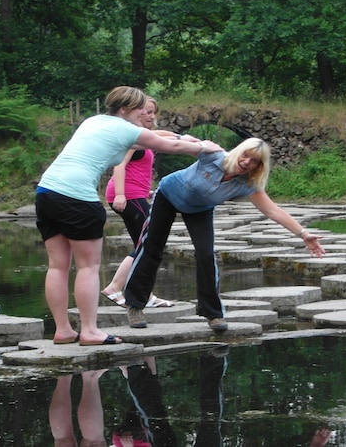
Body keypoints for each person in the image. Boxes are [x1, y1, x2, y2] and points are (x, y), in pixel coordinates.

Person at [36, 86, 222, 346]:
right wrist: (203, 146)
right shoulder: (125, 129)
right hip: (76, 196)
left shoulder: (94, 121)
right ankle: (89, 331)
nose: (143, 114)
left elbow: (152, 137)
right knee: (88, 267)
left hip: (46, 192)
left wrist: (187, 139)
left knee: (57, 266)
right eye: (139, 110)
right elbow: (165, 145)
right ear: (124, 109)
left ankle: (63, 330)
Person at [124, 137, 325, 332]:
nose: (246, 162)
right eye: (245, 155)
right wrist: (137, 135)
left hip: (200, 208)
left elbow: (273, 211)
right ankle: (135, 306)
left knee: (206, 254)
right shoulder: (213, 155)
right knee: (152, 247)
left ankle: (213, 314)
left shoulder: (248, 184)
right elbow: (176, 141)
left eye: (254, 161)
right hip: (168, 195)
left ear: (259, 166)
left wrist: (303, 233)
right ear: (239, 151)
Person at [102, 96, 174, 309]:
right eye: (147, 111)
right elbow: (119, 165)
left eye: (154, 112)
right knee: (146, 244)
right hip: (127, 195)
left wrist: (182, 137)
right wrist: (121, 194)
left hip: (136, 194)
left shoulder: (144, 136)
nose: (151, 116)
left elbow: (159, 136)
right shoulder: (131, 136)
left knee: (144, 245)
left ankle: (145, 293)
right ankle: (115, 287)